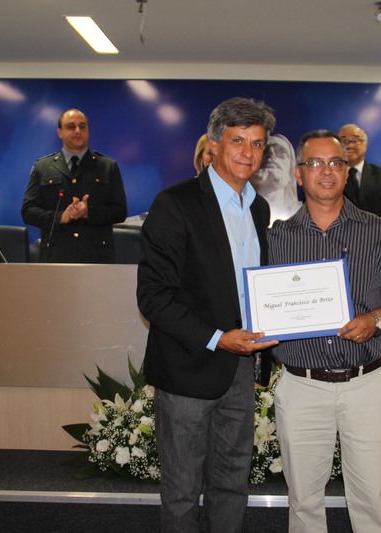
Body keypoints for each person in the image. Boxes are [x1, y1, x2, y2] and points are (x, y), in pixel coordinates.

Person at [268, 130, 381, 533]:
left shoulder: (379, 231)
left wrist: (376, 320)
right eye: (315, 163)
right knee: (303, 500)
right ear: (298, 174)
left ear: (346, 170)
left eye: (335, 163)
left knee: (372, 497)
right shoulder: (275, 239)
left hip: (365, 384)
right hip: (300, 385)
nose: (326, 171)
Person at [137, 97, 279, 533]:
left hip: (240, 368)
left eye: (256, 144)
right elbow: (154, 298)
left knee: (233, 483)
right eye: (237, 141)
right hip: (187, 368)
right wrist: (220, 337)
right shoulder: (175, 204)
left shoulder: (258, 208)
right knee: (181, 491)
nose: (247, 153)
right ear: (214, 145)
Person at [21, 108, 127, 263]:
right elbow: (28, 212)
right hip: (56, 256)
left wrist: (87, 213)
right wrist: (60, 217)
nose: (78, 131)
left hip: (96, 257)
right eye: (71, 126)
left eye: (82, 126)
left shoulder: (107, 166)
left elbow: (120, 212)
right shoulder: (42, 167)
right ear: (60, 132)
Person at [250, 133, 302, 222]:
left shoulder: (303, 218)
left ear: (292, 168)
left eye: (281, 153)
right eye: (264, 151)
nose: (271, 155)